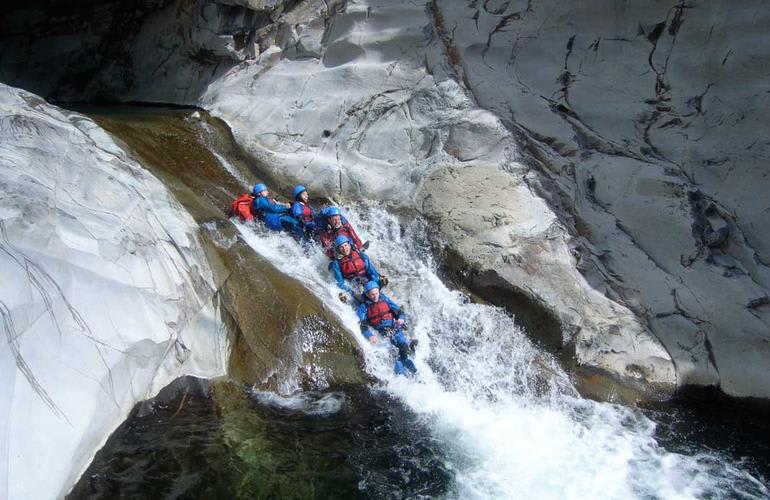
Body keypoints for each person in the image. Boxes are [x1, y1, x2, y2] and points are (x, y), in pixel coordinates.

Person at [357, 281, 417, 375]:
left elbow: (398, 311)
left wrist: (401, 319)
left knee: (403, 345)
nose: (375, 296)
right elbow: (362, 325)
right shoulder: (363, 308)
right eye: (372, 294)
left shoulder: (385, 299)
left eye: (376, 293)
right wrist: (370, 336)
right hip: (382, 332)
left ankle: (409, 356)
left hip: (394, 327)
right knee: (392, 353)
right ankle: (400, 372)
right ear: (367, 294)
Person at [331, 235, 381, 303]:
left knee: (375, 293)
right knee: (361, 301)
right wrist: (351, 292)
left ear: (349, 245)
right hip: (353, 285)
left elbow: (372, 272)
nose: (345, 249)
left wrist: (374, 283)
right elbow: (340, 282)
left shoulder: (360, 255)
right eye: (341, 247)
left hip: (366, 279)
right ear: (338, 249)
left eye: (345, 245)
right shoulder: (337, 263)